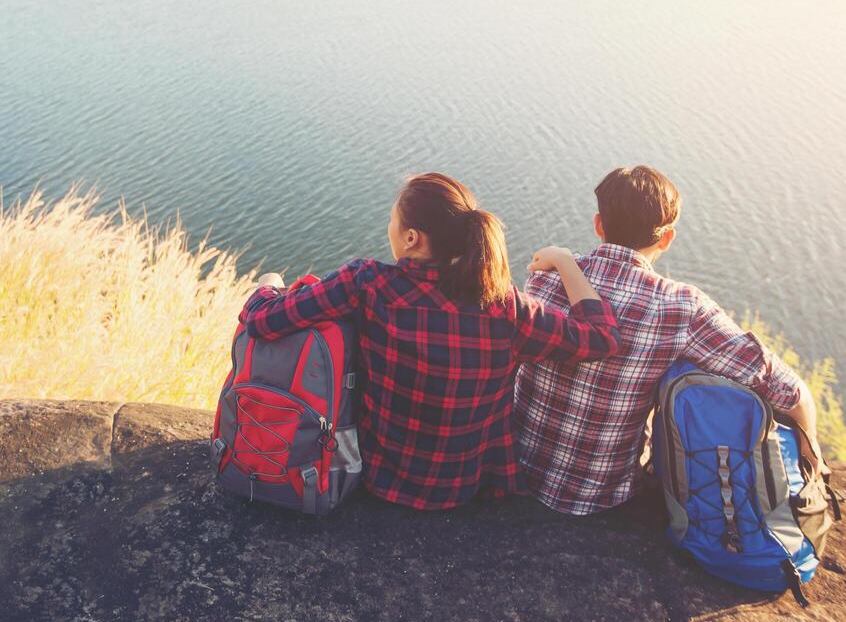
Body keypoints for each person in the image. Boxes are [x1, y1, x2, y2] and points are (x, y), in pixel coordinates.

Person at [239, 172, 623, 511]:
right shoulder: (506, 307)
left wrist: (268, 286)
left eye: (391, 221)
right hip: (466, 488)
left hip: (378, 480)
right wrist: (565, 262)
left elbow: (261, 321)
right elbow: (602, 339)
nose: (388, 228)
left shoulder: (368, 283)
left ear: (411, 237)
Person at [515, 165, 825, 515]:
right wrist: (812, 452)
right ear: (666, 238)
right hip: (599, 495)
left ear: (598, 224)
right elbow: (788, 389)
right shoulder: (681, 306)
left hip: (519, 475)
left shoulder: (546, 278)